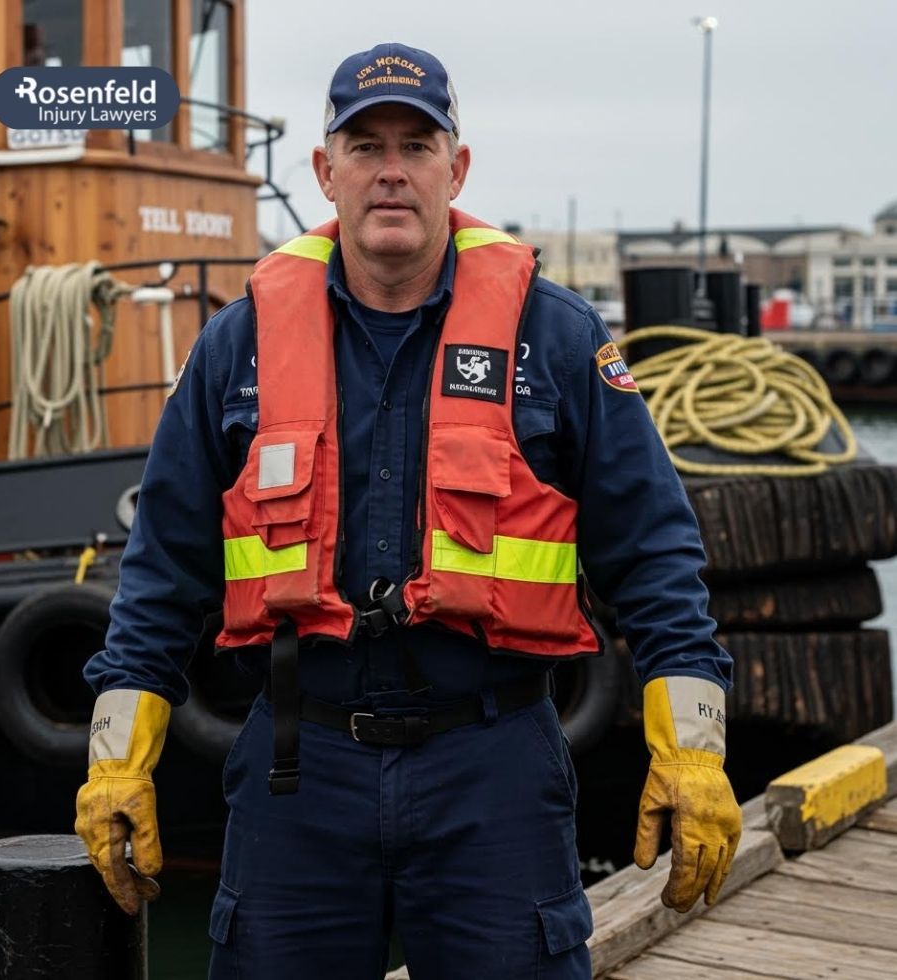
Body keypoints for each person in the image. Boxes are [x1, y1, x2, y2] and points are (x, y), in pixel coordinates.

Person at [75, 42, 742, 979]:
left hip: (494, 769)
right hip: (299, 772)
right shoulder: (240, 347)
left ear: (455, 168)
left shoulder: (554, 340)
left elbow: (656, 558)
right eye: (366, 144)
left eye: (418, 146)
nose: (392, 169)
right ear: (326, 171)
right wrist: (115, 763)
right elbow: (162, 570)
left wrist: (696, 755)